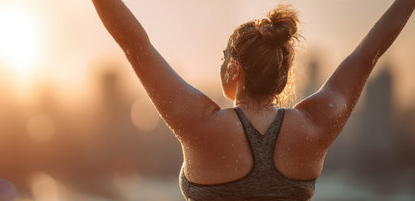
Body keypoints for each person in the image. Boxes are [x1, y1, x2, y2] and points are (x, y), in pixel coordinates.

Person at [91, 0, 414, 200]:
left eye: (223, 58)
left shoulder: (200, 125)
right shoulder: (315, 125)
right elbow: (367, 53)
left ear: (234, 69)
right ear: (283, 72)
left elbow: (135, 43)